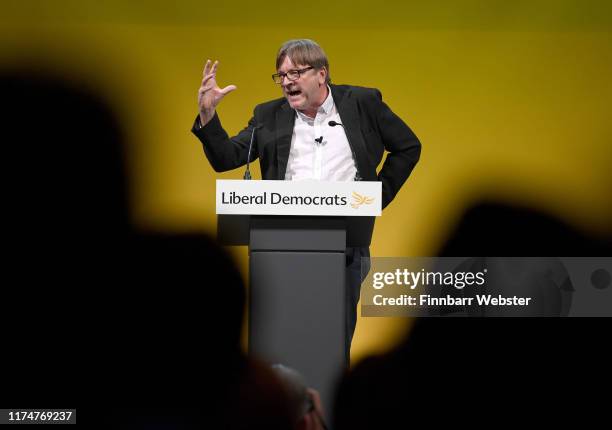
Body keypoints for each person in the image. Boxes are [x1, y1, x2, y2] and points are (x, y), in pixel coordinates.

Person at [191, 39, 421, 355]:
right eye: (281, 75)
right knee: (276, 346)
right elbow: (226, 157)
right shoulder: (268, 115)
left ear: (321, 74)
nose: (286, 82)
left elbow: (408, 146)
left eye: (295, 73)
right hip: (278, 248)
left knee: (331, 345)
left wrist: (376, 196)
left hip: (344, 247)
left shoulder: (362, 103)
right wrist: (207, 114)